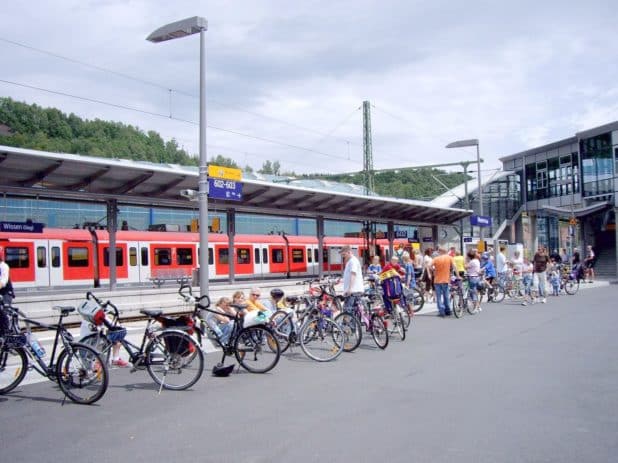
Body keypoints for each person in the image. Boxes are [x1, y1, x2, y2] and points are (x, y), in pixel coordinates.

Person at [432, 247, 455, 317]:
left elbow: (429, 265)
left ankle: (441, 311)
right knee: (446, 296)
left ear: (440, 251)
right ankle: (448, 310)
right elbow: (454, 266)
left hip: (437, 280)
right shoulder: (449, 258)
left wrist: (433, 271)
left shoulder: (436, 259)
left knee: (438, 296)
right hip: (445, 280)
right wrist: (457, 275)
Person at [340, 245, 364, 311]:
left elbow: (353, 274)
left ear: (349, 252)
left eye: (344, 254)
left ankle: (349, 321)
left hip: (353, 291)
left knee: (347, 312)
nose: (343, 256)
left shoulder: (353, 261)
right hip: (353, 291)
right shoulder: (350, 261)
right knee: (353, 312)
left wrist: (350, 289)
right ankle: (354, 321)